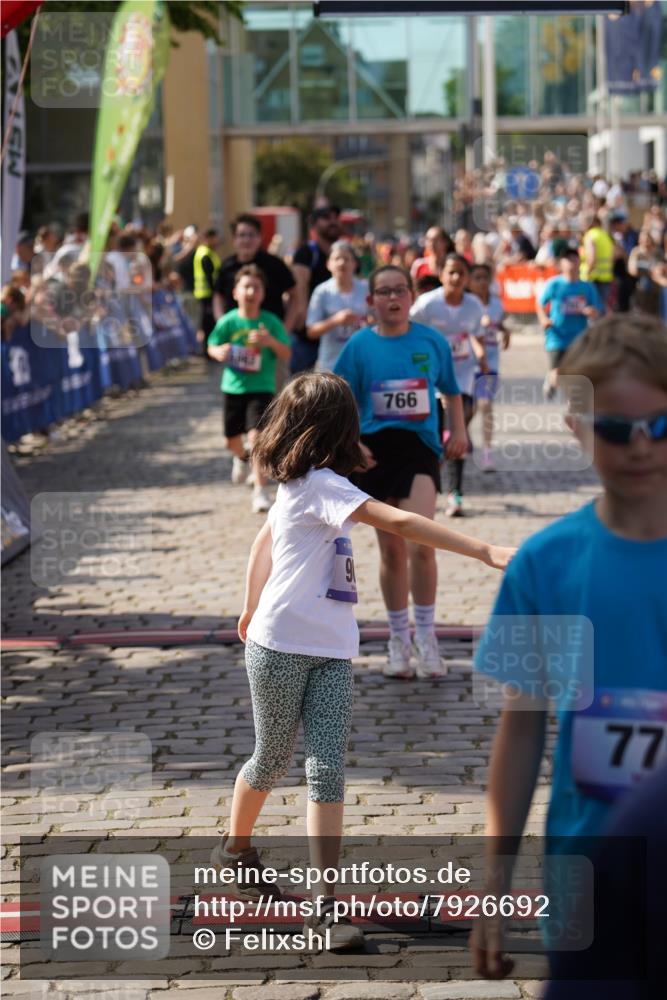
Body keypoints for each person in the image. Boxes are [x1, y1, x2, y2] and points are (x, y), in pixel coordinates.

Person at [211, 371, 514, 950]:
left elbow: (263, 544)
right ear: (339, 428)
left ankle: (324, 906)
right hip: (279, 648)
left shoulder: (307, 485)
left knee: (326, 769)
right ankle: (235, 848)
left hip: (332, 651)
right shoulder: (320, 486)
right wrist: (485, 551)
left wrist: (249, 604)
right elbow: (398, 521)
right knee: (270, 759)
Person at [470, 314, 667, 980]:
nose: (640, 446)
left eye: (660, 425)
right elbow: (521, 727)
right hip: (588, 876)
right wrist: (494, 883)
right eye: (615, 429)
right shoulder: (545, 565)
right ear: (575, 426)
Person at [334, 265, 469, 679]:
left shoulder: (431, 341)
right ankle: (399, 640)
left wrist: (459, 430)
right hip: (374, 451)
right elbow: (338, 399)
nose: (393, 299)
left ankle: (426, 636)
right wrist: (352, 444)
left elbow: (451, 391)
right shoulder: (359, 346)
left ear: (411, 296)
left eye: (400, 291)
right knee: (391, 550)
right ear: (370, 300)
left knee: (421, 542)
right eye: (384, 292)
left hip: (419, 448)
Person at [207, 265, 291, 513]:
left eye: (256, 287)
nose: (251, 292)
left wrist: (269, 341)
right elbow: (212, 345)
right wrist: (218, 352)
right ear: (235, 292)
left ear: (263, 293)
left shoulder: (270, 322)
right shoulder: (228, 321)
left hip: (262, 387)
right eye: (246, 287)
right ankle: (242, 457)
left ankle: (260, 492)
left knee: (257, 438)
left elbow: (286, 353)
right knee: (231, 441)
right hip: (233, 388)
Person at [410, 253, 488, 518]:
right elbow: (408, 331)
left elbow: (476, 334)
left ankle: (455, 493)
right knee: (434, 436)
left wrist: (482, 356)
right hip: (430, 378)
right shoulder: (427, 304)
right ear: (442, 275)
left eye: (461, 273)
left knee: (458, 431)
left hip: (461, 378)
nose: (456, 277)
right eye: (451, 272)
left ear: (467, 278)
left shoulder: (474, 305)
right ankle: (431, 488)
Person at [212, 213, 298, 330]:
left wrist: (285, 329)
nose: (247, 240)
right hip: (235, 333)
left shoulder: (275, 264)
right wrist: (222, 324)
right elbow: (218, 296)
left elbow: (294, 295)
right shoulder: (226, 267)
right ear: (234, 240)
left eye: (251, 235)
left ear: (260, 237)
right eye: (242, 235)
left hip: (270, 333)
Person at [536, 247, 602, 400]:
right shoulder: (554, 284)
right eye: (568, 259)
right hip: (556, 336)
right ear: (561, 264)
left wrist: (591, 311)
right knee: (557, 373)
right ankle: (551, 380)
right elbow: (539, 304)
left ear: (579, 262)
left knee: (576, 374)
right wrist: (543, 319)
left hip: (578, 337)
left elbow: (596, 310)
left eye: (574, 258)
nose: (572, 262)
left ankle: (572, 406)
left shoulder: (587, 287)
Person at [468, 263, 511, 472]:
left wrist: (506, 332)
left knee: (486, 405)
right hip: (467, 363)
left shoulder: (496, 303)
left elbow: (499, 323)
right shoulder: (466, 304)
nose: (482, 282)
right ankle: (462, 437)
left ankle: (487, 454)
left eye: (485, 278)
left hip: (491, 362)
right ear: (470, 281)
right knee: (469, 409)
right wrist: (477, 325)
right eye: (477, 278)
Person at [290, 206, 343, 374]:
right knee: (302, 384)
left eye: (335, 217)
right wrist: (303, 316)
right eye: (326, 218)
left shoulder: (344, 254)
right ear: (314, 225)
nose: (333, 221)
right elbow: (299, 287)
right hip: (308, 339)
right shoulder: (306, 253)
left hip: (337, 337)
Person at [306, 241, 369, 372]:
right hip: (330, 364)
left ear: (355, 264)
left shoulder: (366, 289)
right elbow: (311, 331)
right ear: (328, 264)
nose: (341, 263)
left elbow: (378, 320)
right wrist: (335, 320)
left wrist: (367, 321)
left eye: (346, 259)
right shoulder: (322, 291)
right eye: (337, 258)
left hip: (362, 362)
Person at [193, 227, 221, 354]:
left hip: (206, 294)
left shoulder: (207, 252)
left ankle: (208, 348)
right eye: (214, 239)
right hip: (207, 294)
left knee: (207, 323)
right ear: (209, 239)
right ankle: (207, 350)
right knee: (207, 324)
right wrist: (216, 291)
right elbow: (209, 276)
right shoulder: (205, 254)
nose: (217, 241)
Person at [580, 214, 615, 312]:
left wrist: (587, 274)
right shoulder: (605, 235)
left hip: (592, 278)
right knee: (602, 308)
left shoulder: (590, 235)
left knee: (592, 310)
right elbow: (613, 256)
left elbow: (592, 258)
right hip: (606, 277)